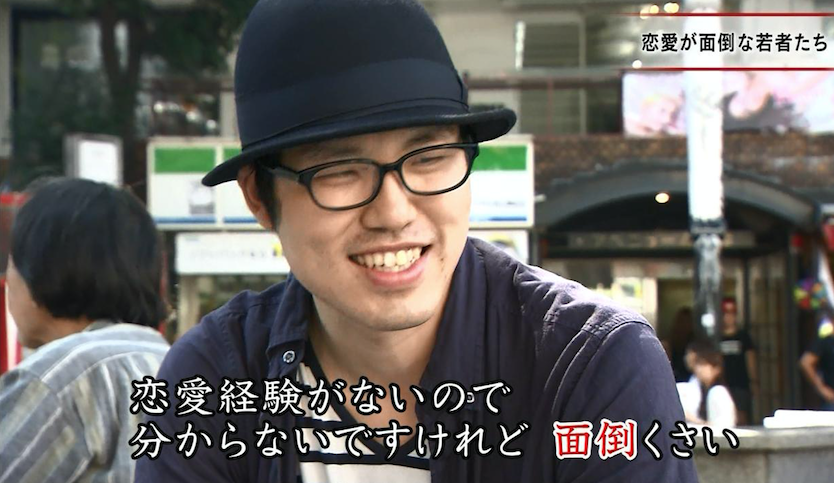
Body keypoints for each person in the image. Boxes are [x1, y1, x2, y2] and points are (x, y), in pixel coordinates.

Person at [135, 1, 698, 482]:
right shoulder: (212, 382)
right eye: (340, 170)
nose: (394, 212)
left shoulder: (589, 367)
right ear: (259, 197)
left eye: (428, 158)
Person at [0, 178, 170, 482]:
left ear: (41, 271)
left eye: (11, 265)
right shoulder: (179, 361)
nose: (8, 282)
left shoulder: (58, 376)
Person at [677, 340, 737, 428]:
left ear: (716, 368)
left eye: (703, 365)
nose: (699, 369)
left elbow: (722, 426)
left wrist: (696, 421)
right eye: (698, 365)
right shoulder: (696, 388)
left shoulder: (718, 392)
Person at [718, 298, 758, 425]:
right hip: (724, 382)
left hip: (741, 382)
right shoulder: (718, 337)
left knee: (741, 416)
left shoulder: (743, 336)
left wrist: (753, 381)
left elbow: (750, 358)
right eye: (726, 312)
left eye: (732, 312)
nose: (729, 316)